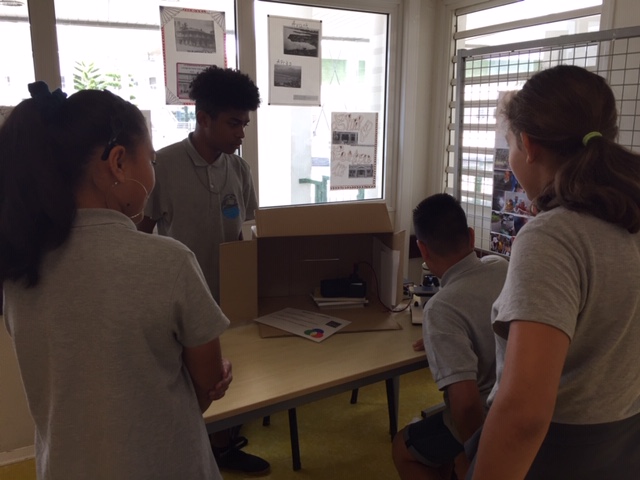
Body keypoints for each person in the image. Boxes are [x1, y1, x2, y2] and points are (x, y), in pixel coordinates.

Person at [0, 83, 232, 479]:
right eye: (151, 161)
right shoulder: (170, 261)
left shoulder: (19, 269)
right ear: (119, 162)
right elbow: (207, 384)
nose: (154, 173)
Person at [467, 65, 640, 479]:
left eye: (509, 142)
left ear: (527, 145)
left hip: (553, 452)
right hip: (624, 443)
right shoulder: (629, 219)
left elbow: (524, 413)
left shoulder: (554, 236)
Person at [137, 65, 269, 475]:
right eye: (233, 123)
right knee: (189, 389)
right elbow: (140, 234)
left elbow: (244, 230)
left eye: (245, 124)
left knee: (226, 379)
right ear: (204, 118)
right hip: (178, 301)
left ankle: (224, 447)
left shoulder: (239, 170)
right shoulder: (162, 166)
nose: (241, 133)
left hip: (229, 298)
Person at [392, 193, 508, 480]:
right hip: (520, 407)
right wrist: (446, 340)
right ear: (471, 236)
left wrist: (474, 458)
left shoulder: (441, 309)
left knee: (401, 447)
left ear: (422, 249)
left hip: (487, 421)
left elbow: (466, 405)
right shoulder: (501, 267)